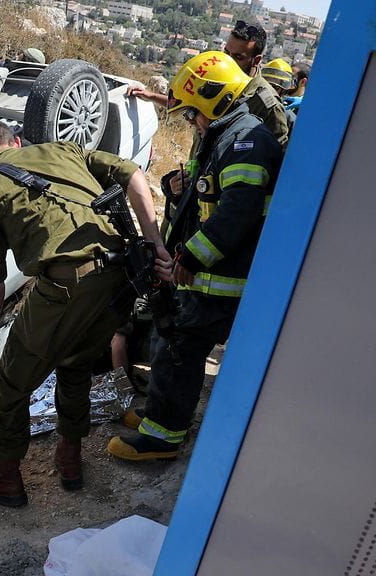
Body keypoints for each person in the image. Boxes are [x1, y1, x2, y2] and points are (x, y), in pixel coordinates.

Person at [0, 121, 167, 506]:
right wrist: (156, 244)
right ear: (17, 142)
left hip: (65, 287)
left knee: (13, 380)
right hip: (121, 277)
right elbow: (134, 173)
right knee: (77, 362)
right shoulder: (66, 150)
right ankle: (70, 458)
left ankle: (5, 476)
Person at [107, 51, 283, 461]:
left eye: (194, 114)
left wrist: (190, 259)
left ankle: (162, 437)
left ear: (215, 102)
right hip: (212, 276)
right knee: (175, 346)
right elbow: (211, 195)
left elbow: (235, 215)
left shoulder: (245, 143)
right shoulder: (230, 135)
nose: (192, 122)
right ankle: (158, 415)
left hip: (220, 280)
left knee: (179, 349)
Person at [129, 20, 288, 148]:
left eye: (238, 57)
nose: (228, 60)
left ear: (257, 60)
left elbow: (276, 156)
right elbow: (193, 104)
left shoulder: (267, 105)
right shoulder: (216, 74)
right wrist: (149, 96)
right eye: (227, 53)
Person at [261, 58, 298, 132]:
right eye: (266, 86)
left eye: (275, 88)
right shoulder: (248, 107)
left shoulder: (288, 118)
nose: (269, 91)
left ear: (283, 90)